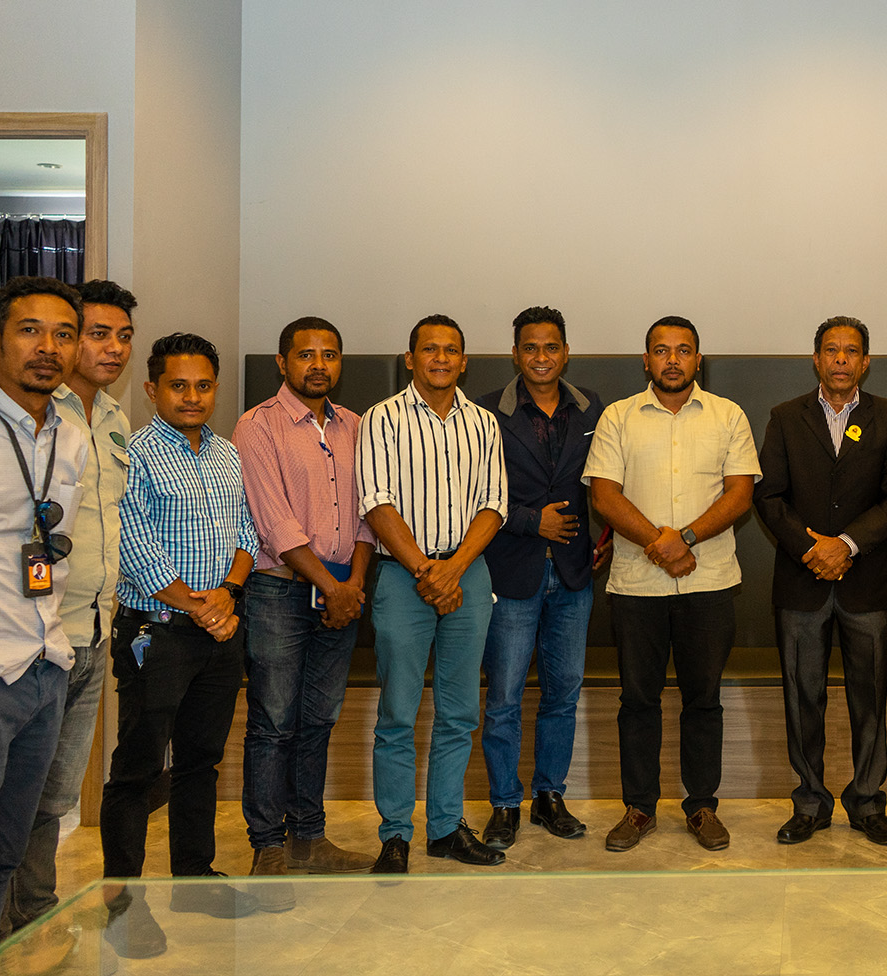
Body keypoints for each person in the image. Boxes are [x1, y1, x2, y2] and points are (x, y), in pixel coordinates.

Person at [101, 332, 260, 941]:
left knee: (201, 761)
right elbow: (134, 548)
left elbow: (246, 532)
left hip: (219, 633)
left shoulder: (227, 455)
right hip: (157, 633)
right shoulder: (135, 455)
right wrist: (203, 607)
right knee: (138, 768)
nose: (192, 396)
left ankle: (194, 880)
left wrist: (229, 595)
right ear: (151, 389)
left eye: (203, 386)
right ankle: (123, 902)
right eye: (178, 385)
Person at [585, 316, 760, 853]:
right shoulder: (618, 417)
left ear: (698, 360)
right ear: (646, 360)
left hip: (709, 582)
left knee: (703, 699)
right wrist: (660, 545)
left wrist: (683, 539)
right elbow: (604, 496)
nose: (672, 360)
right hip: (637, 586)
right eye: (661, 351)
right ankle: (639, 808)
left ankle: (702, 806)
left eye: (683, 350)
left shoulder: (729, 415)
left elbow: (739, 494)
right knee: (638, 700)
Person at [0, 277, 85, 970]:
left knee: (4, 858)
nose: (48, 347)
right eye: (30, 330)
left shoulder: (74, 437)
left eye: (64, 334)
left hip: (44, 672)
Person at [0, 281, 132, 956]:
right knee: (15, 789)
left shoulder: (114, 416)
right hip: (37, 637)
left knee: (54, 791)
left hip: (96, 629)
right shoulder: (39, 417)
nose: (113, 349)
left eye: (122, 336)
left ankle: (35, 910)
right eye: (98, 334)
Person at [355, 314, 508, 874]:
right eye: (429, 349)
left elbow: (494, 503)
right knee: (397, 711)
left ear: (464, 361)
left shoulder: (484, 423)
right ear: (410, 358)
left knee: (460, 711)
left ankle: (445, 828)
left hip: (468, 574)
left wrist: (454, 569)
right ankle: (395, 833)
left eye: (450, 350)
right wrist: (427, 571)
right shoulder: (382, 419)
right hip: (403, 576)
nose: (440, 358)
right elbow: (376, 502)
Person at [233, 316, 377, 900]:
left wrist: (353, 585)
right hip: (279, 592)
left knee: (318, 719)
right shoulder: (257, 425)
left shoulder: (358, 426)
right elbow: (273, 522)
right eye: (306, 355)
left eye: (330, 354)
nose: (319, 365)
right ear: (282, 362)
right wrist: (331, 586)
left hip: (343, 592)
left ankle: (309, 839)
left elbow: (369, 513)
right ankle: (268, 845)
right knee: (273, 722)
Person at [756, 316, 887, 846]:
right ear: (816, 359)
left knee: (870, 699)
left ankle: (867, 801)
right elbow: (769, 496)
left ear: (865, 361)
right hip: (801, 582)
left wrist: (844, 545)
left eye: (851, 351)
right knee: (803, 698)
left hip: (867, 582)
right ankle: (810, 803)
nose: (841, 359)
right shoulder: (785, 417)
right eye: (831, 350)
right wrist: (812, 548)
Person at [475, 307, 609, 849]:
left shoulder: (592, 407)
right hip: (511, 571)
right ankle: (505, 802)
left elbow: (607, 481)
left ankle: (550, 795)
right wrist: (534, 522)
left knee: (563, 692)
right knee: (504, 696)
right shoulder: (486, 412)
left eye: (551, 347)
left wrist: (606, 536)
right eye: (530, 347)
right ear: (515, 354)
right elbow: (473, 494)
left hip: (575, 573)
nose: (541, 357)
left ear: (566, 352)